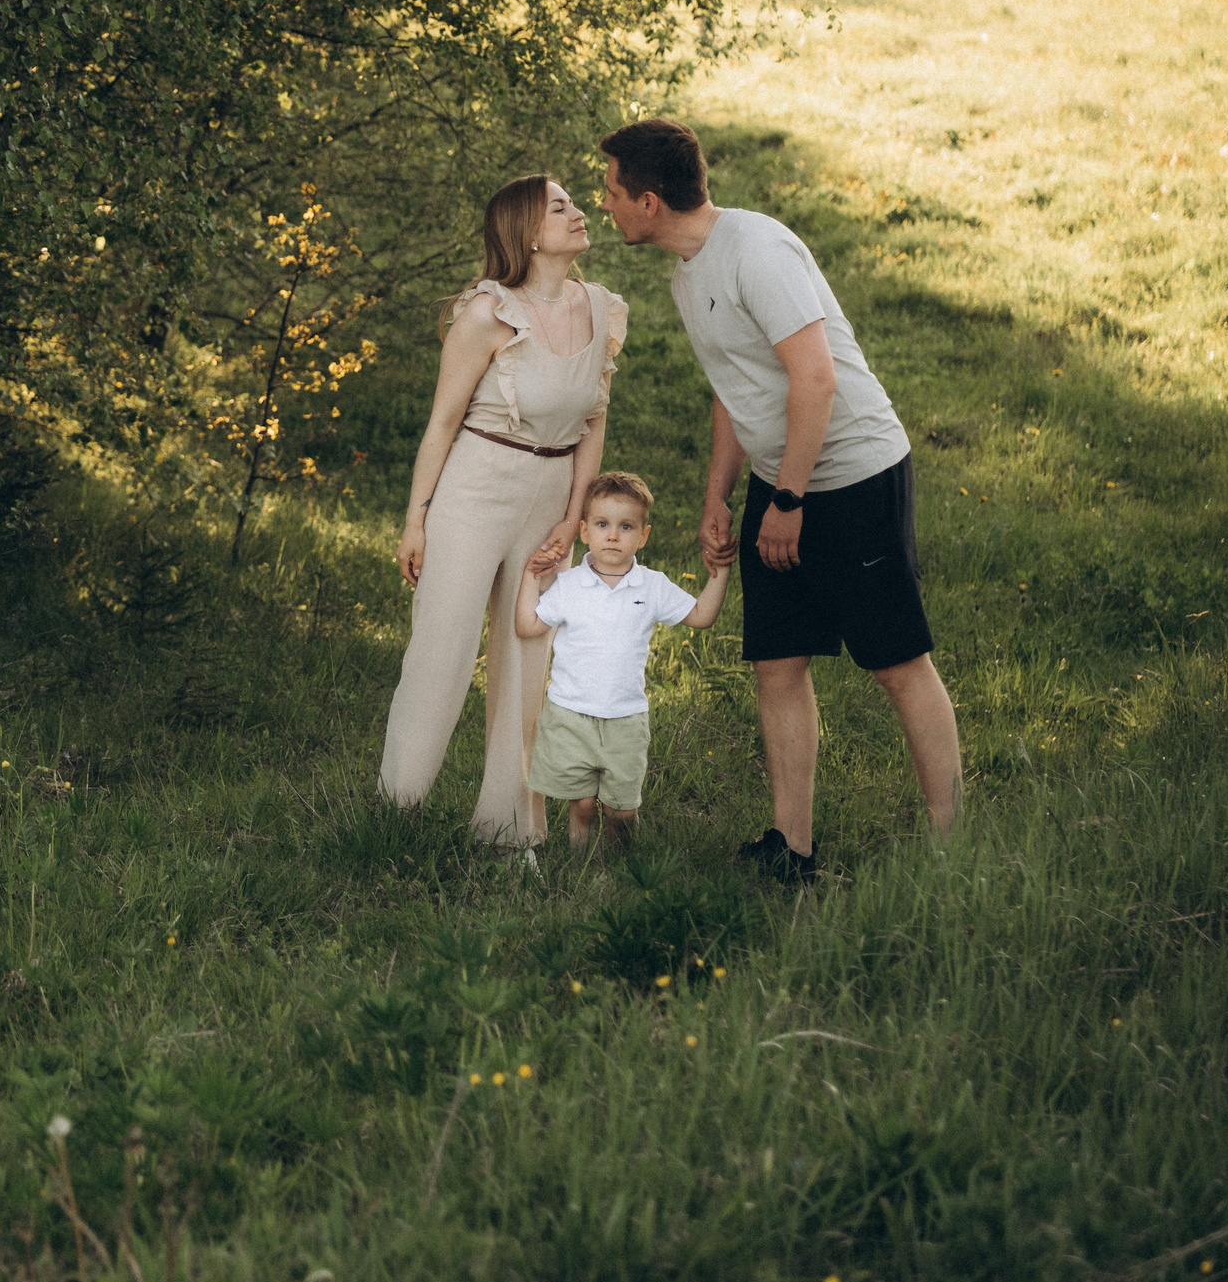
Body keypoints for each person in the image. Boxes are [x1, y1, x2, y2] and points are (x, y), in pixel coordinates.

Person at [597, 117, 961, 883]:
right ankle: (791, 848)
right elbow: (737, 388)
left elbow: (816, 379)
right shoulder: (686, 275)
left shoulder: (756, 251)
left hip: (853, 474)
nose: (606, 205)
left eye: (611, 191)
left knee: (897, 663)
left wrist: (788, 500)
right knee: (778, 665)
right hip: (782, 481)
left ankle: (951, 839)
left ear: (650, 202)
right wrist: (721, 495)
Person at [382, 174, 628, 853]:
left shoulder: (601, 309)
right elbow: (441, 423)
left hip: (551, 499)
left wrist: (573, 517)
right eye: (561, 207)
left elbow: (593, 425)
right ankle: (395, 811)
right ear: (525, 232)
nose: (580, 213)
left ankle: (509, 832)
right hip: (476, 486)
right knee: (443, 650)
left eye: (577, 203)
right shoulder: (488, 313)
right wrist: (416, 520)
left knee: (527, 661)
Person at [513, 470, 730, 850]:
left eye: (626, 526)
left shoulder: (652, 585)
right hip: (570, 713)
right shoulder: (569, 587)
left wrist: (720, 573)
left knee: (621, 810)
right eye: (602, 524)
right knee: (581, 803)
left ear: (643, 535)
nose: (613, 535)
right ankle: (580, 866)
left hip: (626, 717)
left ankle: (621, 866)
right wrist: (531, 577)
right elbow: (528, 625)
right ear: (584, 531)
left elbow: (701, 616)